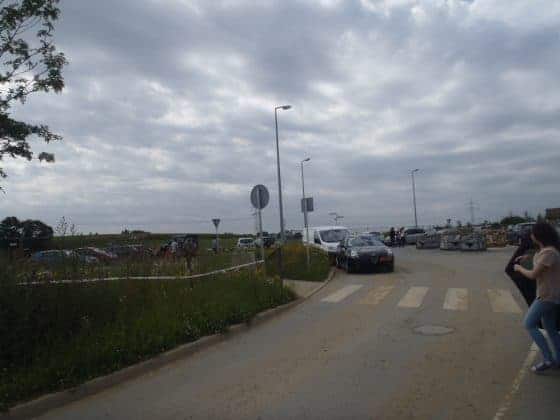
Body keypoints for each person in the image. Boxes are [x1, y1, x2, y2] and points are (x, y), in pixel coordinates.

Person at [514, 222, 560, 373]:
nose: (531, 235)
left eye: (533, 233)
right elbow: (539, 262)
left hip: (547, 297)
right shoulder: (545, 251)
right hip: (549, 295)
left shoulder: (549, 253)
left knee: (529, 324)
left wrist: (519, 268)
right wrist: (526, 257)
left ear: (539, 235)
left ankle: (548, 359)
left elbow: (533, 274)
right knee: (550, 329)